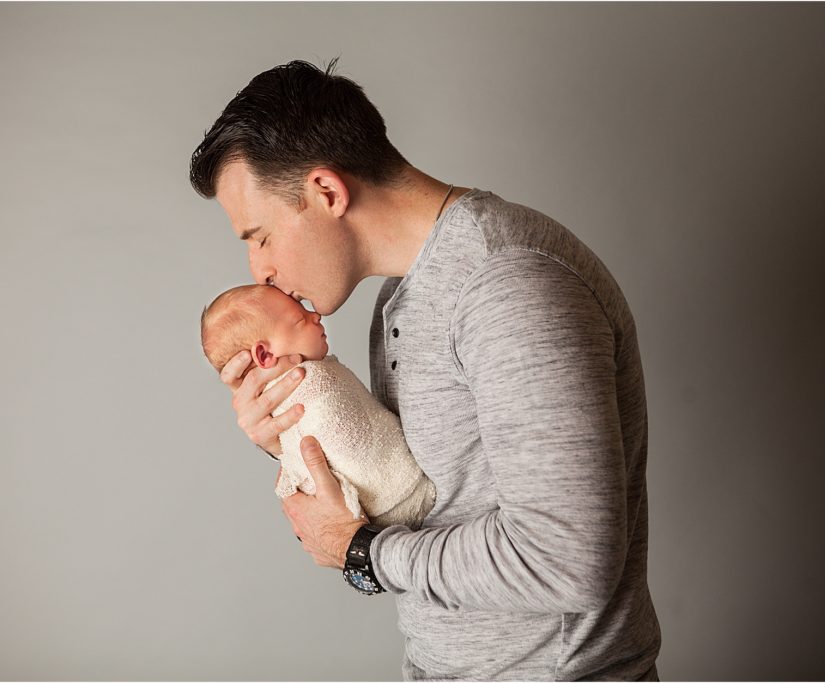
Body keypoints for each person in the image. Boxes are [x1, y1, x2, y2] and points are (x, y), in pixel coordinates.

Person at [189, 58, 662, 680]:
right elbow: (423, 494)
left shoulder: (507, 283)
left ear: (327, 192)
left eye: (259, 235)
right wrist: (289, 437)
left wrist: (361, 554)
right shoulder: (403, 296)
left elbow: (568, 560)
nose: (260, 270)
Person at [198, 283, 436, 531]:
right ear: (265, 356)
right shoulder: (311, 389)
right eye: (300, 319)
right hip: (397, 498)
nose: (316, 315)